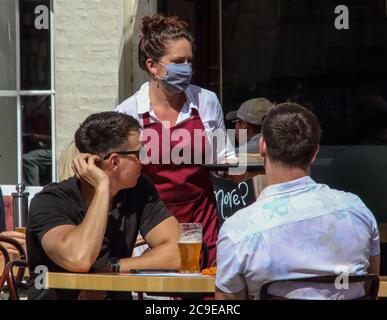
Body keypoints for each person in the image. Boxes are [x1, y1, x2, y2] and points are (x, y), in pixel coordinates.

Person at [216, 103, 380, 300]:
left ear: (262, 147)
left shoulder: (239, 231)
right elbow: (371, 282)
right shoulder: (357, 211)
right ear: (315, 153)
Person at [115, 15, 235, 266]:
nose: (187, 68)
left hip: (203, 219)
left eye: (190, 61)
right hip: (151, 224)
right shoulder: (128, 113)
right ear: (152, 65)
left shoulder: (206, 101)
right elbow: (119, 180)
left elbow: (222, 159)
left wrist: (242, 169)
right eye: (178, 62)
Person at [26, 111, 180, 300]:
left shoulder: (139, 190)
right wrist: (102, 188)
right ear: (115, 161)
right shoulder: (50, 200)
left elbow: (178, 252)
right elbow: (79, 258)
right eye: (138, 153)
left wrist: (114, 267)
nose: (144, 161)